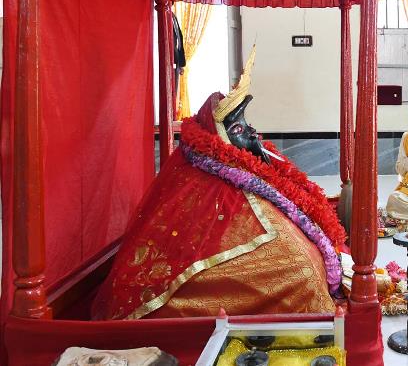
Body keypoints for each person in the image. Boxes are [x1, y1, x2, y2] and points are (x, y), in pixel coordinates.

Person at [92, 48, 345, 320]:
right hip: (196, 261)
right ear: (221, 141)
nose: (251, 133)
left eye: (247, 125)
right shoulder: (209, 173)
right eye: (238, 130)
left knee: (302, 261)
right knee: (301, 268)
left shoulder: (240, 169)